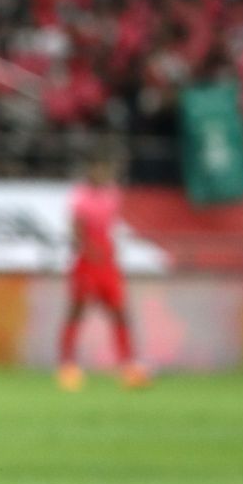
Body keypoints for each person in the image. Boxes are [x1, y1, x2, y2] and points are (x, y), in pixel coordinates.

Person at [57, 154, 149, 390]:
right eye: (99, 168)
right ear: (90, 170)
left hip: (107, 261)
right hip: (88, 260)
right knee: (77, 311)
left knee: (119, 312)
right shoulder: (81, 196)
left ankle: (128, 365)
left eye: (107, 170)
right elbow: (76, 228)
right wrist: (87, 249)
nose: (104, 174)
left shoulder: (112, 195)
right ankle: (67, 365)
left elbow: (113, 225)